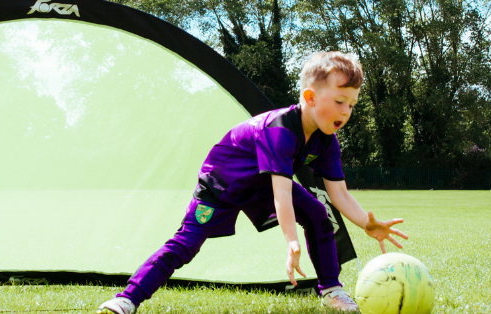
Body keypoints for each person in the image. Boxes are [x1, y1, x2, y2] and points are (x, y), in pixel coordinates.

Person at [97, 51, 409, 314]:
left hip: (261, 184)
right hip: (221, 184)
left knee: (318, 214)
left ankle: (331, 290)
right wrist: (291, 242)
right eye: (340, 101)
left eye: (352, 105)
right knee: (185, 246)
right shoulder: (280, 130)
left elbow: (338, 193)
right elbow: (282, 196)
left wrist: (365, 223)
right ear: (310, 98)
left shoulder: (327, 140)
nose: (346, 111)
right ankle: (127, 299)